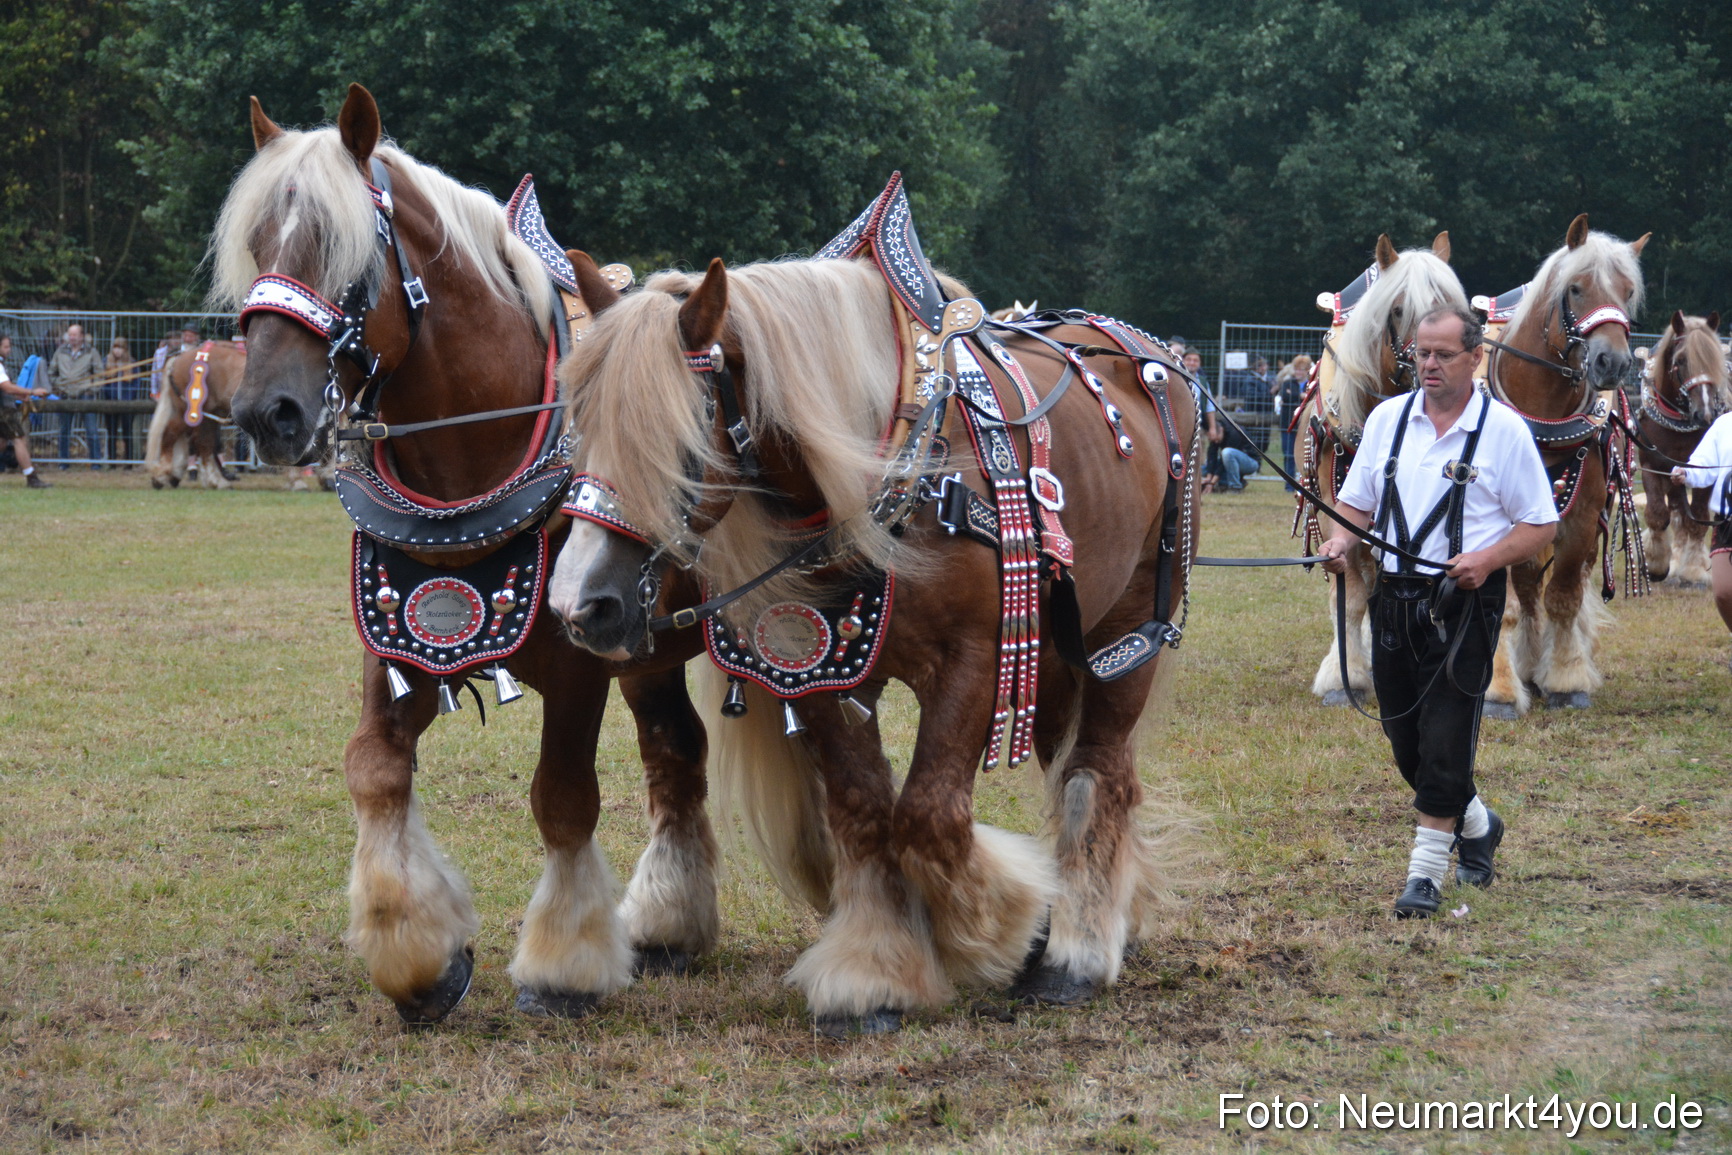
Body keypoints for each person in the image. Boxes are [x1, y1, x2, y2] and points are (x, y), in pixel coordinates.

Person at [1318, 306, 1557, 919]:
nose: (1429, 364)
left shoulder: (1504, 431)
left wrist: (1487, 559)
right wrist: (1341, 541)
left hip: (1466, 602)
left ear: (1475, 358)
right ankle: (1478, 825)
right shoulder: (1387, 420)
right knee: (1407, 741)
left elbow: (1540, 524)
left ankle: (1423, 877)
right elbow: (1356, 504)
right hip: (1394, 599)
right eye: (1421, 353)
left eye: (1443, 354)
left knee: (1447, 736)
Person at [1671, 411, 1732, 653]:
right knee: (1724, 592)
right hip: (1727, 522)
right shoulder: (1724, 424)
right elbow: (1703, 464)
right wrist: (1686, 473)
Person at [47, 323, 104, 469]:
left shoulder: (91, 352)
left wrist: (92, 389)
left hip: (85, 395)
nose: (71, 337)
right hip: (65, 394)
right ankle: (63, 462)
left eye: (75, 334)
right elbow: (51, 372)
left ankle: (96, 462)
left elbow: (99, 374)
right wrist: (60, 385)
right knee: (64, 430)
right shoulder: (60, 351)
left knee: (91, 430)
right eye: (70, 334)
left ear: (82, 336)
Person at [0, 335, 52, 488]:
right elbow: (7, 387)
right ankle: (31, 477)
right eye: (6, 347)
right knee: (19, 439)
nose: (9, 350)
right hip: (3, 411)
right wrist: (32, 391)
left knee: (2, 442)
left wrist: (20, 395)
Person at [1274, 354, 1314, 489]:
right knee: (1288, 454)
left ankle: (1307, 484)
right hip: (1288, 425)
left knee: (1306, 456)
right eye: (1296, 369)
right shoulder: (1287, 383)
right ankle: (1289, 485)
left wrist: (1294, 395)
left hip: (1306, 426)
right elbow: (1285, 395)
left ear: (1307, 370)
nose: (1298, 372)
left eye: (1301, 369)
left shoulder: (1312, 384)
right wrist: (1301, 396)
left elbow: (1311, 399)